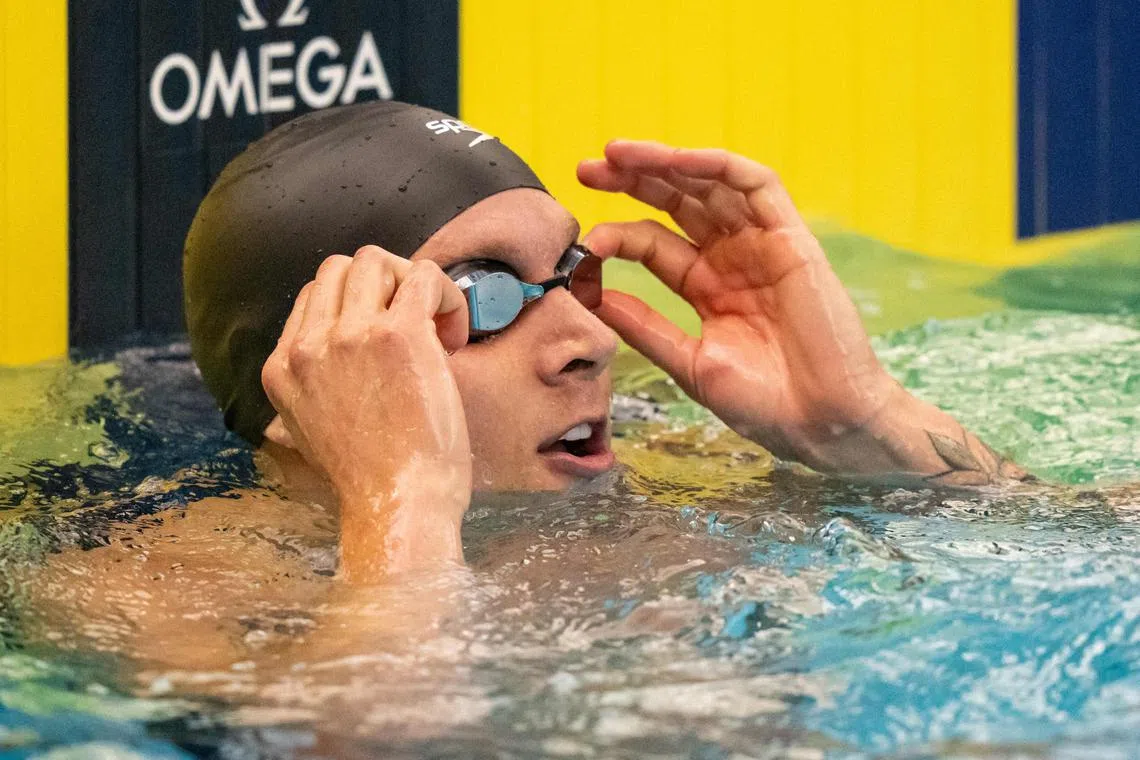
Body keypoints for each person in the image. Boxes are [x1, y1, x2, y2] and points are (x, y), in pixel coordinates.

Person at [181, 99, 1028, 587]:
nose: (588, 339)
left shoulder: (681, 478)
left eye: (569, 272)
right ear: (298, 376)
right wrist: (405, 506)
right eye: (479, 295)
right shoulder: (182, 590)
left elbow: (1095, 543)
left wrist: (866, 426)